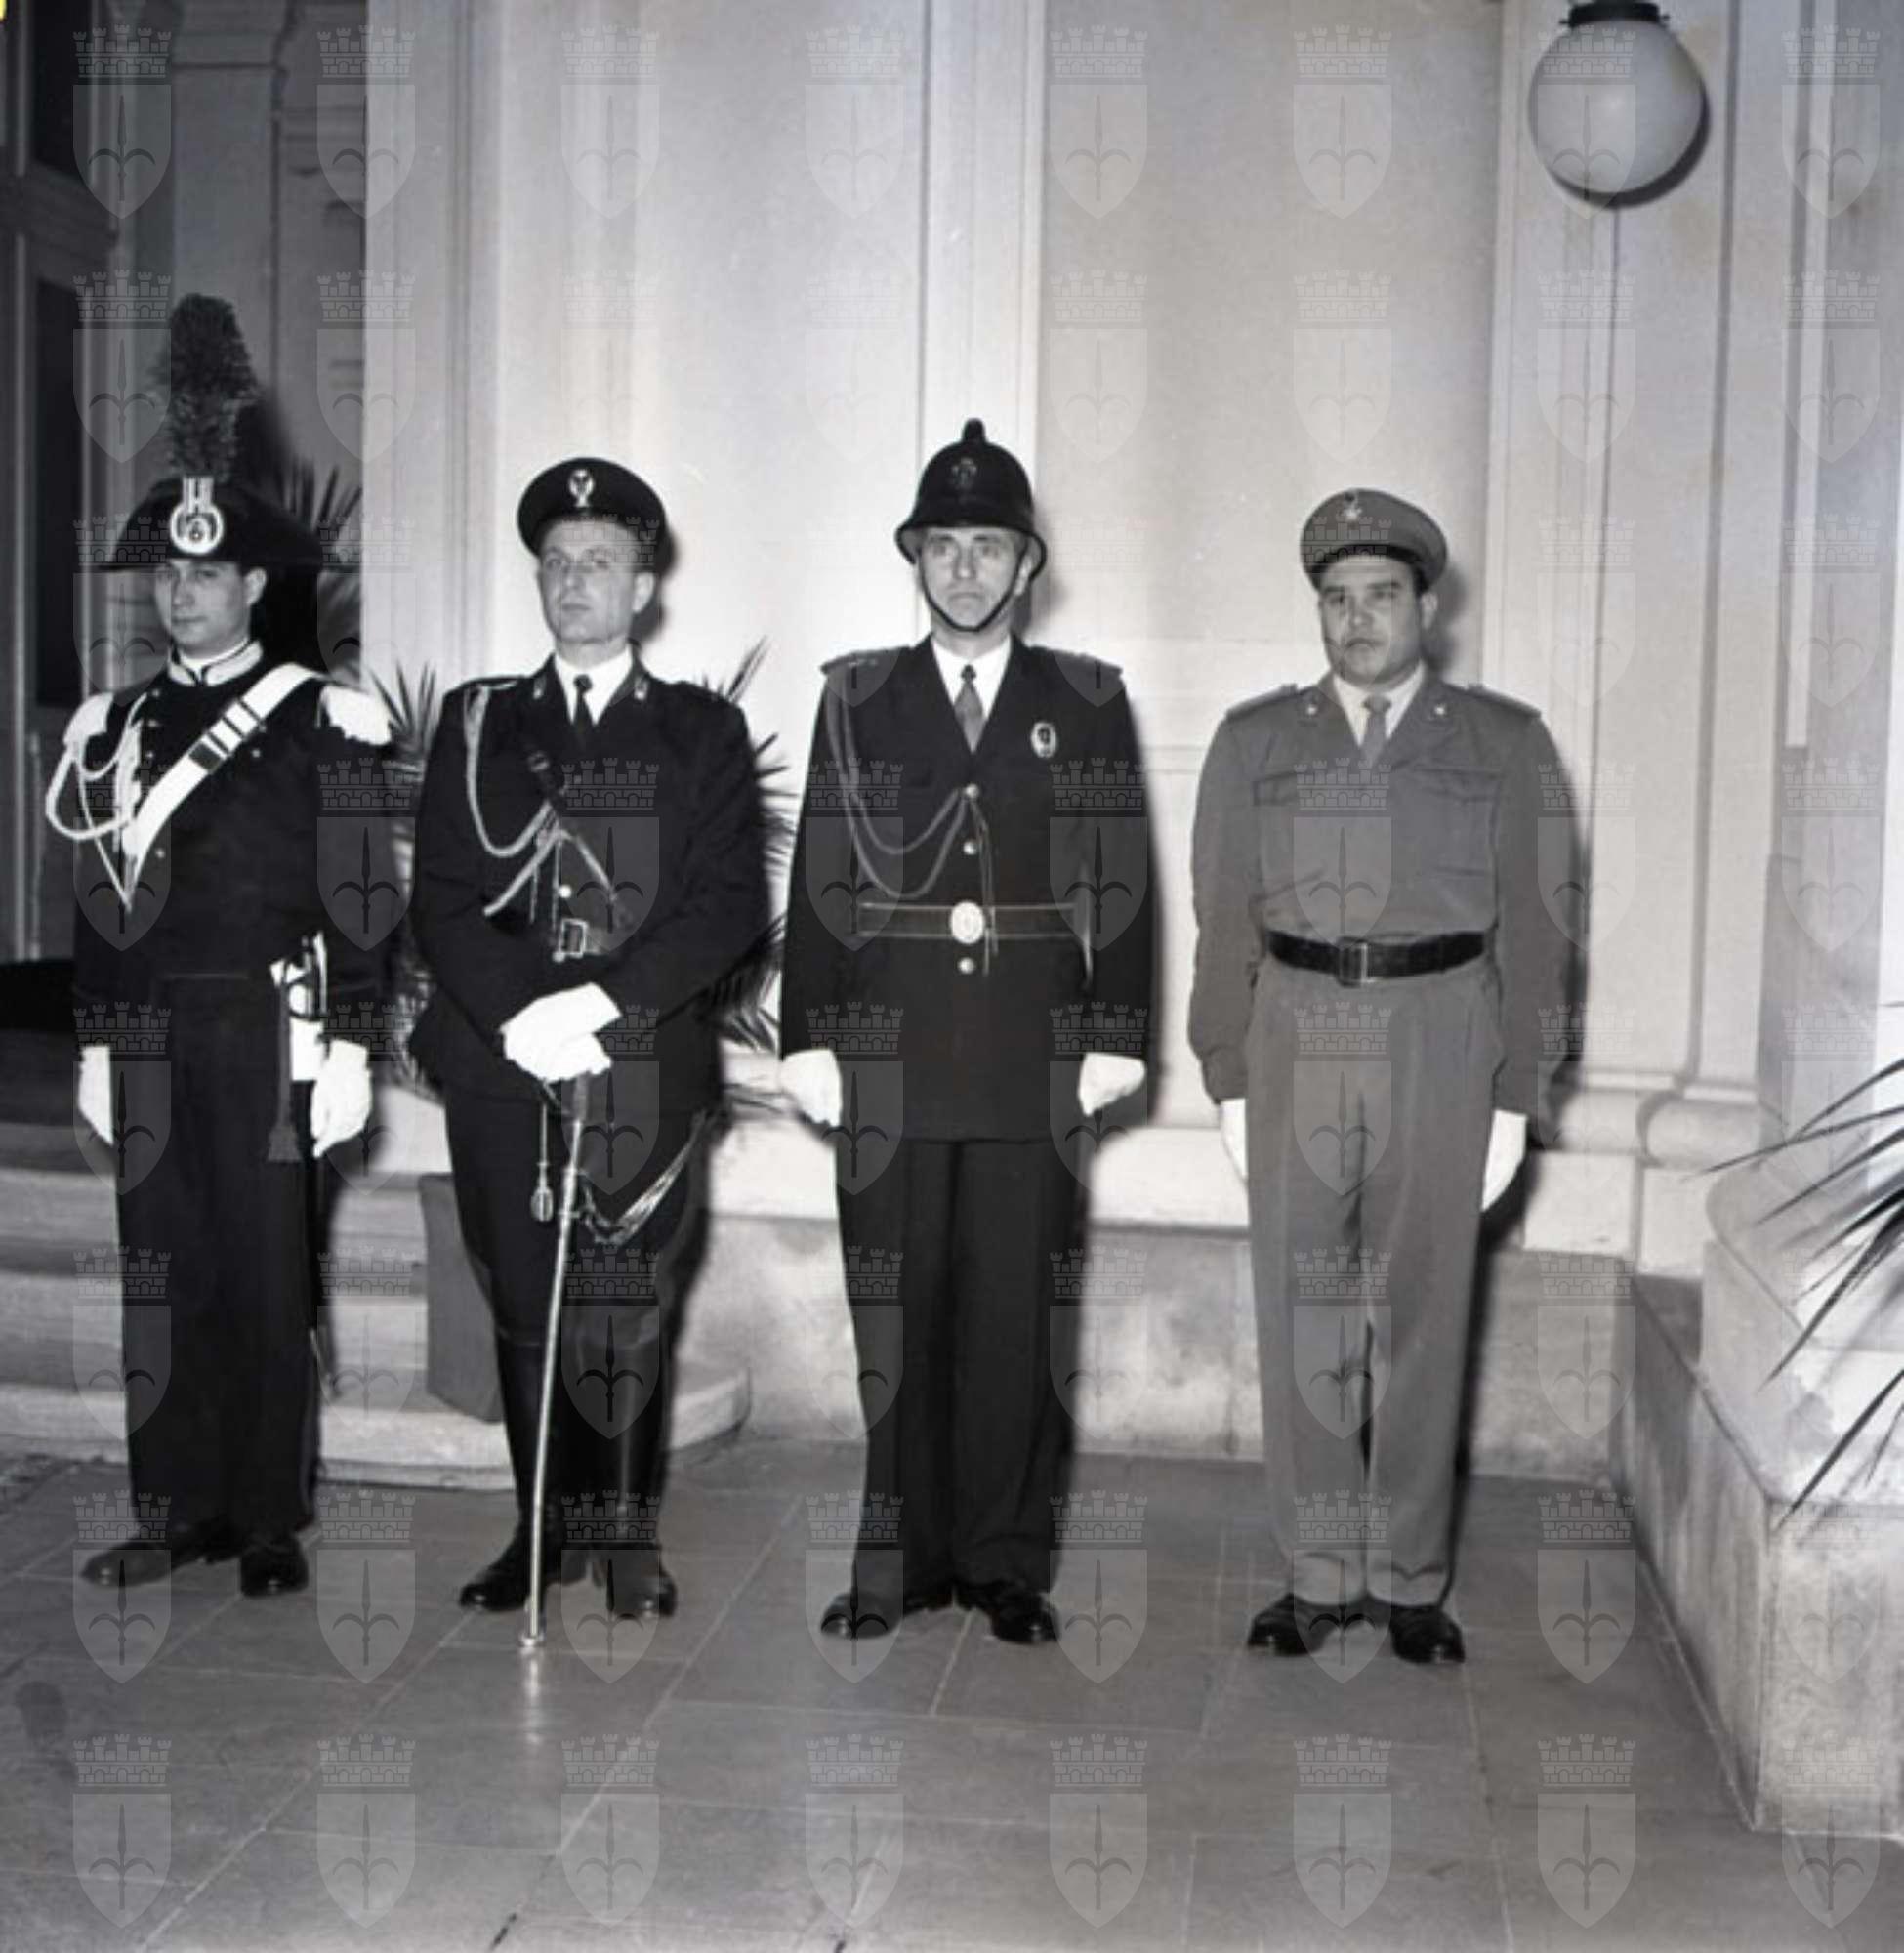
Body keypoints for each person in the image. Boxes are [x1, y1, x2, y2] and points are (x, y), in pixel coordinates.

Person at [780, 419, 1153, 1646]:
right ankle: (894, 1562)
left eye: (990, 546)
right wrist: (808, 1034)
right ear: (915, 557)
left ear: (1028, 562)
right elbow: (820, 874)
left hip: (1030, 1053)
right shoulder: (857, 699)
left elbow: (1122, 874)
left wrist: (1115, 1032)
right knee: (895, 1311)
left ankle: (1003, 1561)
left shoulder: (1084, 701)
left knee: (1014, 1315)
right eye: (943, 545)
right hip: (886, 1050)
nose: (965, 569)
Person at [1188, 488, 1570, 1666]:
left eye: (1382, 596)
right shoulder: (1256, 740)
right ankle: (1317, 1573)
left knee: (1424, 1307)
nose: (1357, 620)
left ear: (1428, 606)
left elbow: (1541, 933)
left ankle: (1410, 1577)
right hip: (1295, 1031)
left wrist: (1519, 1092)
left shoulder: (1505, 742)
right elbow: (1222, 916)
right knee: (1303, 1311)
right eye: (1337, 599)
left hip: (1441, 1031)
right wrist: (1226, 1069)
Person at [409, 456, 766, 1621]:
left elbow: (725, 906)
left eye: (599, 562)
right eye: (556, 562)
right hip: (502, 1059)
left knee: (626, 1301)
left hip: (640, 1054)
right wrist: (523, 1014)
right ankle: (540, 1532)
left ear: (644, 587)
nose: (573, 581)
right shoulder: (480, 722)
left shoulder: (701, 730)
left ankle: (624, 1538)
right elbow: (442, 898)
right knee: (522, 1298)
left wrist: (600, 1003)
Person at [50, 471, 390, 1600]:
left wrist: (352, 1042)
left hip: (265, 1024)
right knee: (162, 1272)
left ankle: (266, 1516)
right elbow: (99, 898)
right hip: (149, 1027)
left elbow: (360, 893)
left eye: (206, 573)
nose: (182, 593)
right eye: (167, 573)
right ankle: (174, 1507)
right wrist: (98, 1041)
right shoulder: (114, 725)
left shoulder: (321, 718)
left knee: (265, 1269)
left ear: (252, 584)